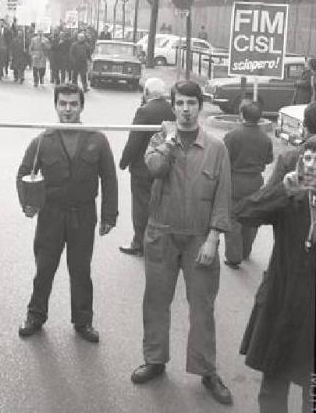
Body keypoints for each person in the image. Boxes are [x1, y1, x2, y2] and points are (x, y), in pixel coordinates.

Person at [131, 80, 233, 406]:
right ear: (172, 107)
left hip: (199, 240)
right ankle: (155, 360)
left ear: (199, 107)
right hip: (161, 234)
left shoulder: (217, 149)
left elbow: (223, 197)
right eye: (180, 103)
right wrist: (170, 141)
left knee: (202, 306)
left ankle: (206, 369)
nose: (186, 109)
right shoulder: (160, 140)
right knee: (156, 301)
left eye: (191, 103)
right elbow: (154, 168)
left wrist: (214, 239)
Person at [16, 84, 118, 343]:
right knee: (45, 268)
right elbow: (23, 172)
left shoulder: (97, 139)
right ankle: (35, 316)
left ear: (82, 106)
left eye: (74, 104)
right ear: (56, 106)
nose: (68, 109)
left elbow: (109, 179)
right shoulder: (43, 141)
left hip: (83, 215)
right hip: (50, 215)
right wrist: (28, 204)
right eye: (63, 103)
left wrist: (108, 216)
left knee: (81, 270)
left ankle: (83, 321)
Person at [235, 137, 316, 413]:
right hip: (284, 298)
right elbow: (245, 213)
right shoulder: (292, 176)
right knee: (273, 391)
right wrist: (284, 191)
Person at [118, 78, 175, 256]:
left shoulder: (144, 111)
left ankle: (139, 243)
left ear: (147, 93)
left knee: (141, 206)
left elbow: (135, 140)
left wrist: (123, 161)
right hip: (166, 165)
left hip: (143, 168)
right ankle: (161, 243)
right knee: (161, 205)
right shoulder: (172, 109)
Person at [222, 100, 273, 268]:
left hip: (235, 180)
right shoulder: (265, 138)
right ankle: (245, 251)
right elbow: (269, 159)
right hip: (255, 181)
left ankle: (234, 256)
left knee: (233, 218)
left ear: (242, 115)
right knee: (250, 217)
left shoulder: (232, 135)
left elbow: (224, 159)